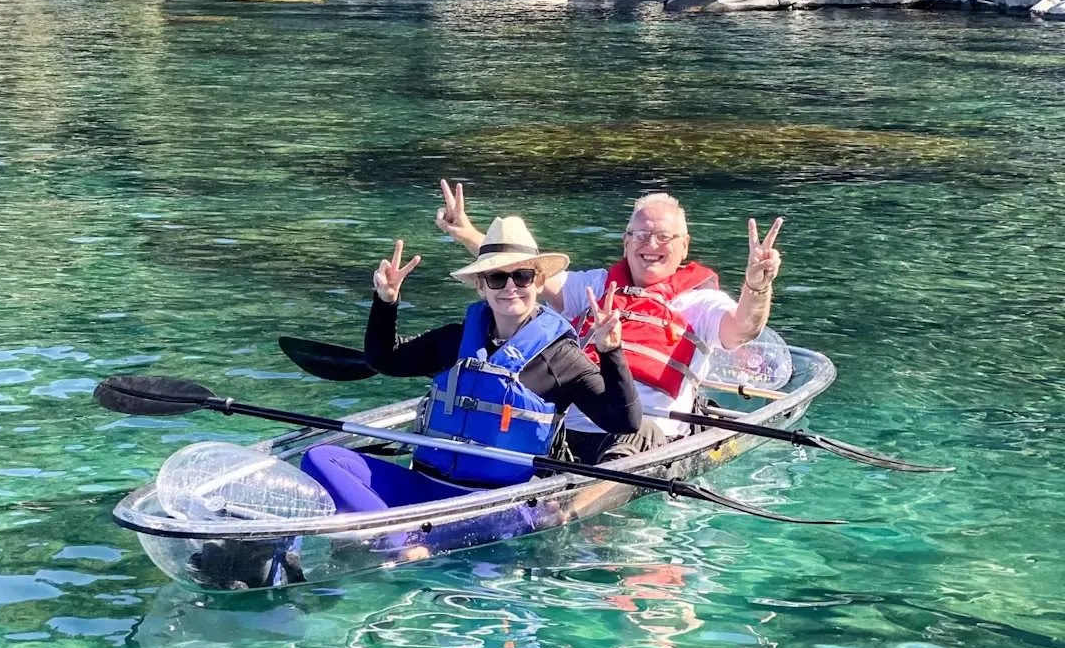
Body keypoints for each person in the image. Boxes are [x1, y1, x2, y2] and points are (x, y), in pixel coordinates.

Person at [300, 216, 642, 514]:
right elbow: (385, 359)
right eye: (497, 278)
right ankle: (401, 538)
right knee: (321, 457)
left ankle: (397, 538)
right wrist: (386, 302)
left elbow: (624, 421)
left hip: (499, 505)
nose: (510, 287)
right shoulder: (455, 340)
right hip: (427, 486)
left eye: (522, 276)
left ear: (538, 282)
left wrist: (610, 351)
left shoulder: (561, 358)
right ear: (480, 286)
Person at [434, 180, 784, 461]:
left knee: (637, 431)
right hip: (568, 428)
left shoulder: (701, 304)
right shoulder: (596, 286)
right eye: (641, 235)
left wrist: (757, 285)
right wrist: (467, 233)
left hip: (645, 434)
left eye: (664, 237)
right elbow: (522, 274)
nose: (651, 244)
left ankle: (580, 508)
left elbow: (744, 328)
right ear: (626, 242)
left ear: (685, 245)